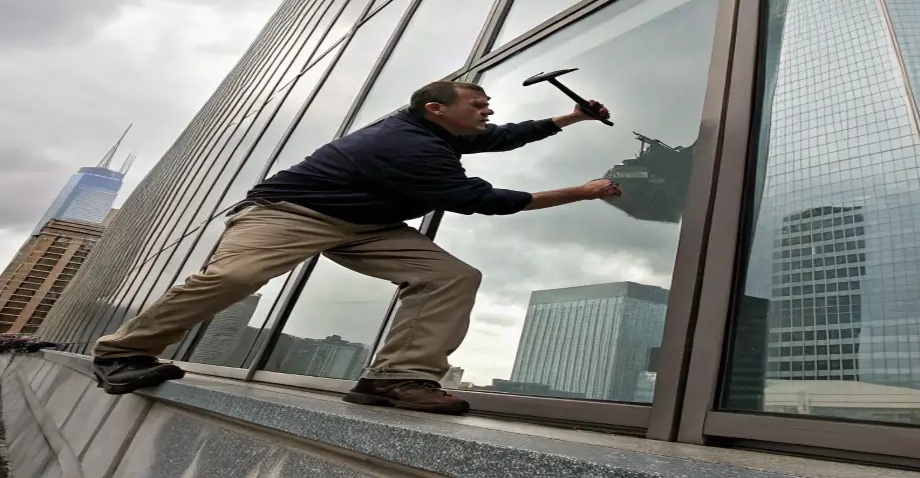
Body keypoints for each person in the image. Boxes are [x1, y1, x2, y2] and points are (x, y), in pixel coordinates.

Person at [91, 80, 621, 415]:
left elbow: (502, 137)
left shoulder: (436, 131)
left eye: (487, 105)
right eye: (478, 105)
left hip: (368, 226)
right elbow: (483, 200)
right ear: (437, 109)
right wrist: (583, 191)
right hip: (290, 214)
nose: (487, 112)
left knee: (452, 276)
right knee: (237, 278)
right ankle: (122, 352)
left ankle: (395, 378)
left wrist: (570, 118)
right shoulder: (404, 145)